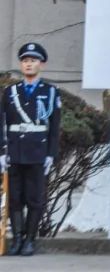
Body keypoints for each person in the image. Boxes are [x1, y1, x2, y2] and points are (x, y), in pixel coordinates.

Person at [1, 43, 61, 256]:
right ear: (21, 64)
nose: (29, 64)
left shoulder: (51, 92)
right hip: (14, 152)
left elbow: (54, 127)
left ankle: (29, 240)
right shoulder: (10, 92)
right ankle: (16, 239)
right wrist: (1, 152)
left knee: (35, 199)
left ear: (41, 65)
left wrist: (51, 154)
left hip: (37, 153)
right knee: (15, 198)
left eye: (33, 61)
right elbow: (2, 123)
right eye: (25, 61)